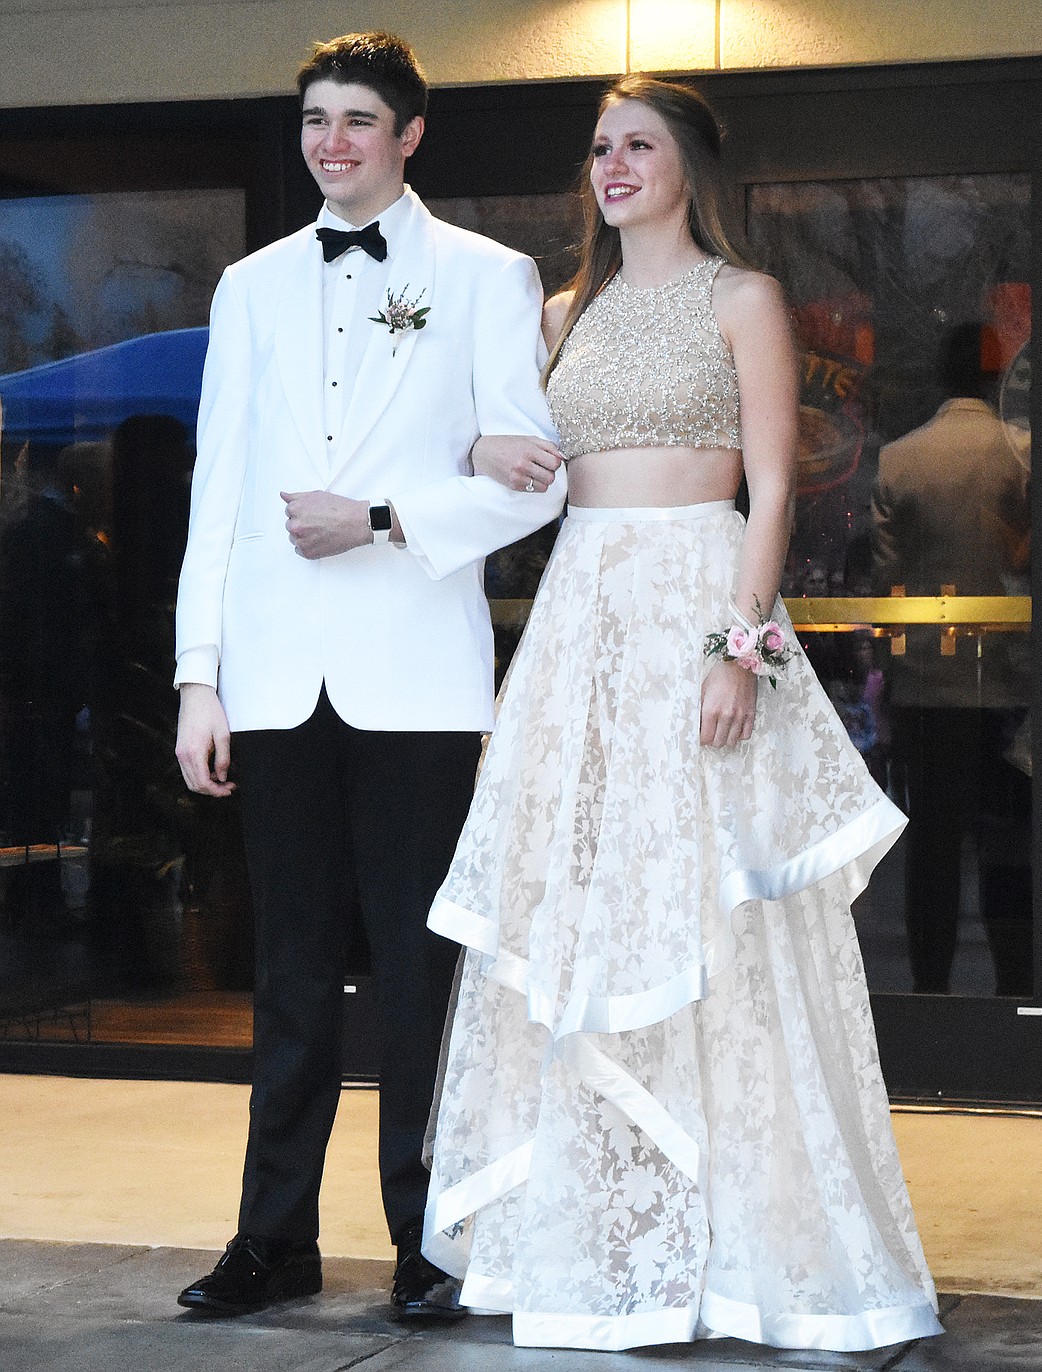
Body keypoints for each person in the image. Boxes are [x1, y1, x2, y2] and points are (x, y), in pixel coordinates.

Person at [420, 75, 942, 1353]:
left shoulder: (744, 299)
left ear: (689, 166)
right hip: (578, 627)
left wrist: (737, 647)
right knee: (589, 903)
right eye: (600, 147)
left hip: (694, 608)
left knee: (719, 917)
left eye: (637, 144)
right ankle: (605, 1248)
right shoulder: (563, 310)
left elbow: (773, 493)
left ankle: (749, 1254)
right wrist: (481, 457)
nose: (611, 164)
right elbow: (515, 463)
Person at [171, 31, 566, 1317]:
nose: (330, 143)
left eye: (356, 121)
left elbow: (533, 480)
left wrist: (385, 517)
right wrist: (198, 676)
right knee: (286, 971)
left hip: (419, 687)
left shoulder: (488, 277)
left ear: (411, 135)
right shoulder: (249, 286)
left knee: (418, 973)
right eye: (315, 122)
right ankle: (272, 1237)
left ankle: (429, 1243)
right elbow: (217, 492)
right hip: (274, 683)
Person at [872, 322, 1032, 996]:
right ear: (997, 378)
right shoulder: (1019, 455)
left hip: (927, 684)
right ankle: (1019, 988)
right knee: (1009, 850)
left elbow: (885, 585)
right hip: (1009, 681)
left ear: (941, 377)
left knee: (932, 852)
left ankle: (930, 989)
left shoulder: (899, 460)